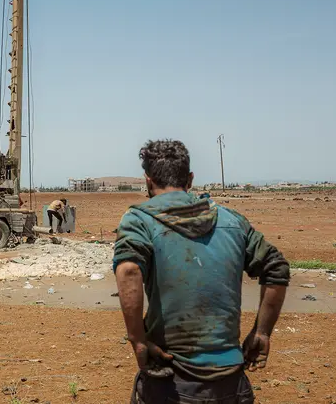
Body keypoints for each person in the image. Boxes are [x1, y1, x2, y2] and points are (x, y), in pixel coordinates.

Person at [113, 140, 290, 403]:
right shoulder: (232, 221)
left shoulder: (139, 219)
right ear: (191, 179)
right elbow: (276, 267)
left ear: (148, 181)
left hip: (171, 381)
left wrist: (138, 339)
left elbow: (128, 270)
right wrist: (262, 333)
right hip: (231, 379)